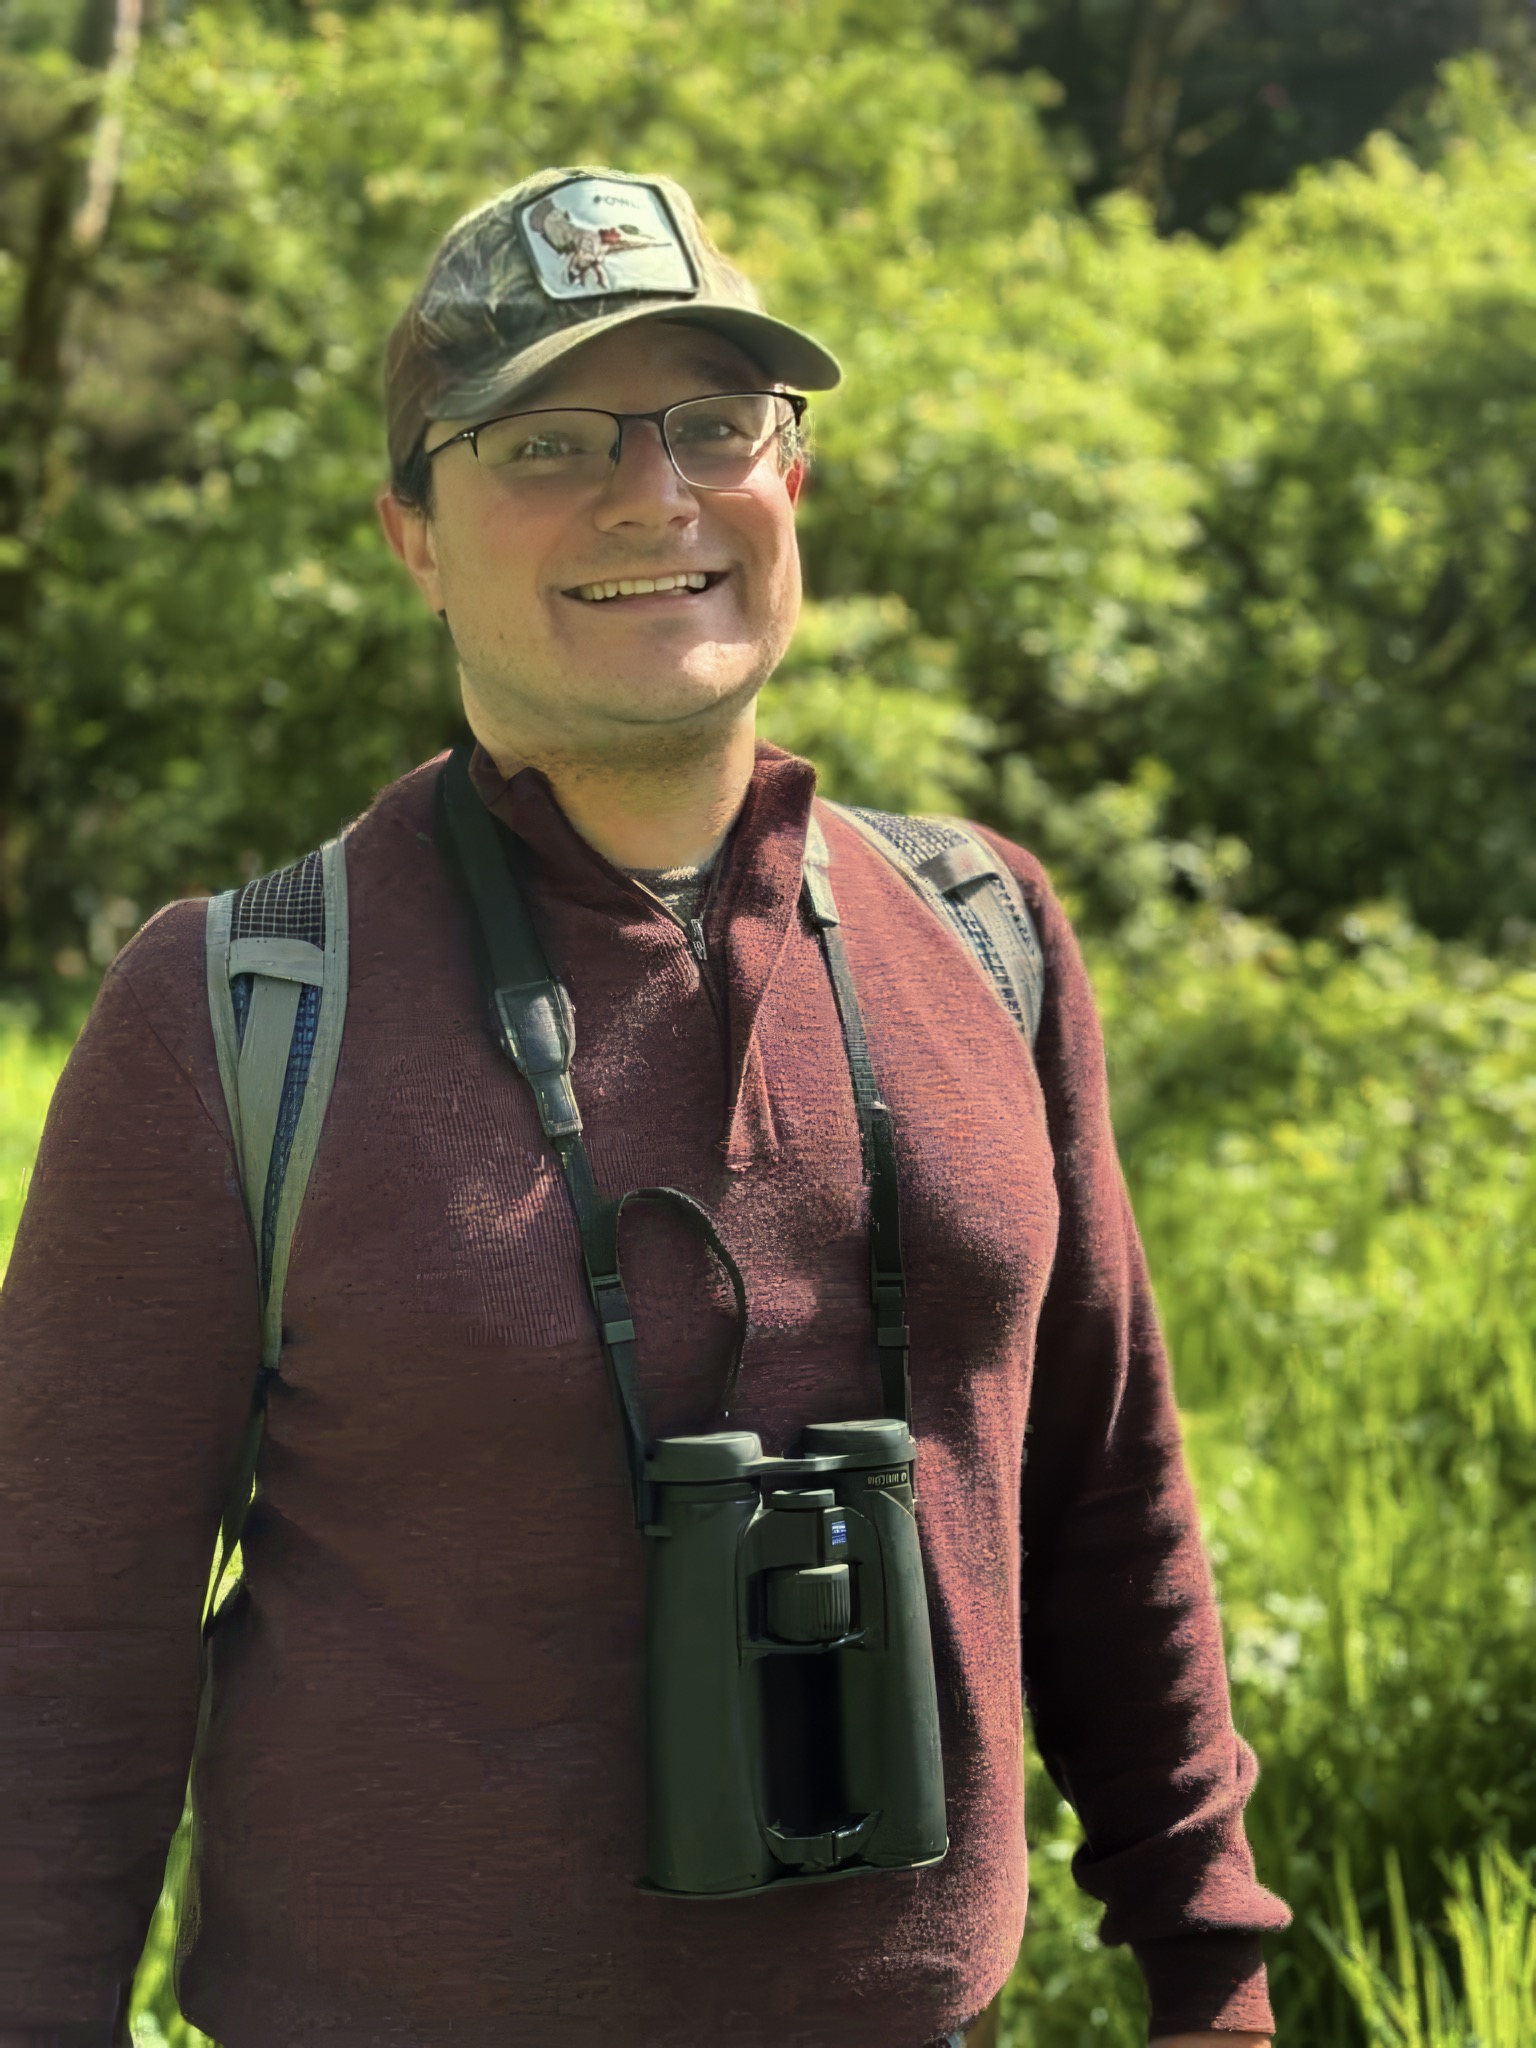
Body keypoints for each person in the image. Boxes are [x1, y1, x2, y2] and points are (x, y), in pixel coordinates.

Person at [0, 166, 1289, 2047]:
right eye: (545, 440)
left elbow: (1110, 1501)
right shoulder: (238, 1011)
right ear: (411, 533)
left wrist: (1214, 1979)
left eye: (713, 422)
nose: (652, 493)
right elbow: (55, 1651)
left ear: (793, 481)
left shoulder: (982, 934)